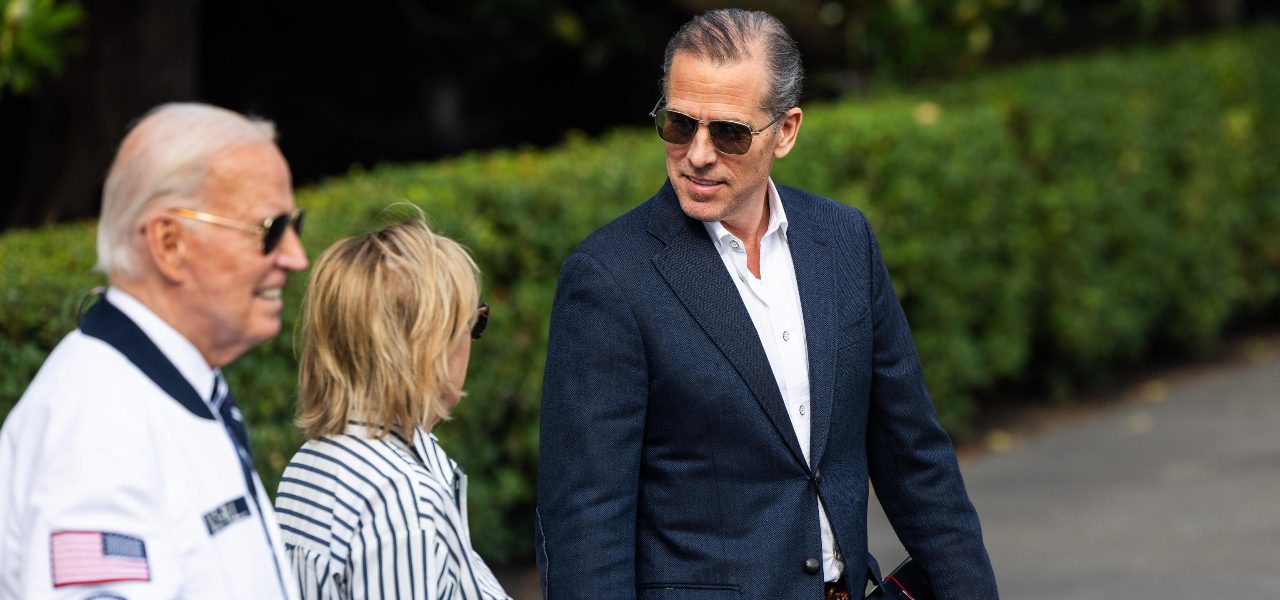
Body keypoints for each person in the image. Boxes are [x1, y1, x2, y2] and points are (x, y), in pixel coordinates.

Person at [536, 9, 998, 600]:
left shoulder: (843, 241)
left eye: (729, 133)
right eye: (679, 125)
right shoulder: (608, 279)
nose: (698, 153)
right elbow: (586, 523)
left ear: (786, 131)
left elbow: (917, 460)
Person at [0, 103, 308, 598]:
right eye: (270, 230)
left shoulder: (167, 383)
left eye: (297, 225)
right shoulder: (100, 431)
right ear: (169, 243)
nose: (296, 257)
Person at [274, 216, 509, 600]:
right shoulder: (400, 496)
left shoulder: (308, 463)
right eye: (474, 322)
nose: (473, 339)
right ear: (431, 344)